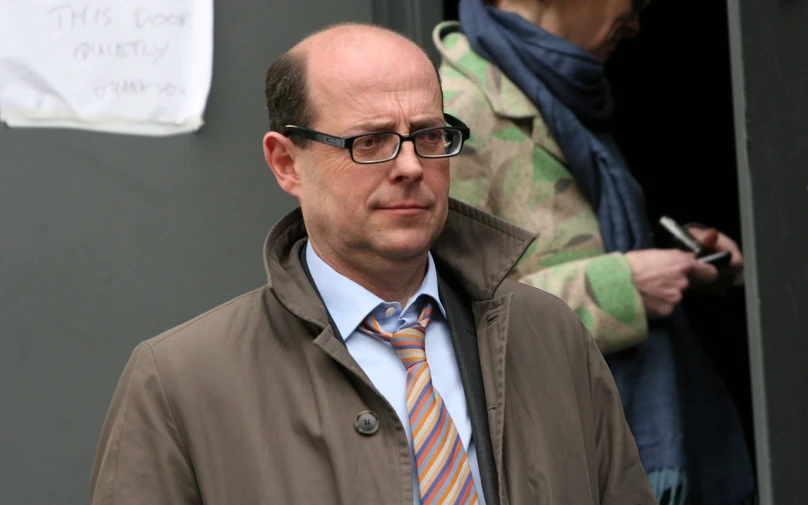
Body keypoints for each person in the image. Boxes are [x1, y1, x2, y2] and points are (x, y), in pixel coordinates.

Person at [90, 23, 657, 505]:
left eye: (429, 135)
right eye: (371, 141)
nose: (411, 165)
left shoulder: (552, 336)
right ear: (286, 162)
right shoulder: (179, 381)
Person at [433, 1, 756, 504]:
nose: (635, 24)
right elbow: (445, 321)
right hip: (562, 461)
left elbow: (565, 248)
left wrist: (676, 262)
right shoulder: (456, 114)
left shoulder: (559, 91)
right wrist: (621, 287)